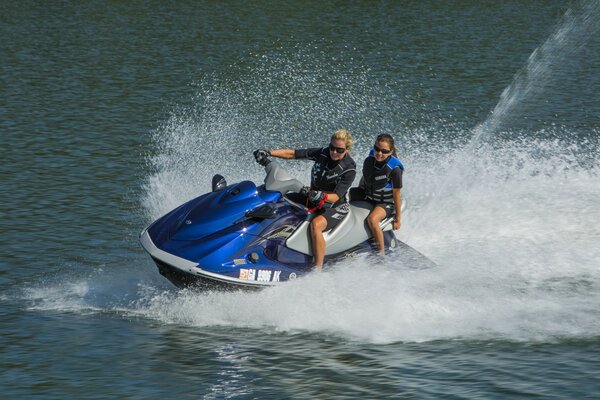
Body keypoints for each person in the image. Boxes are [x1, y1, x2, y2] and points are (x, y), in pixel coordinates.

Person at [253, 129, 356, 269]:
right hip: (312, 196)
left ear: (347, 149)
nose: (334, 152)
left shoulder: (349, 168)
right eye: (332, 147)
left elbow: (335, 197)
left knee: (316, 225)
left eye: (339, 150)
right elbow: (293, 154)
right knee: (278, 200)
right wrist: (269, 153)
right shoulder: (323, 153)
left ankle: (317, 269)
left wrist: (321, 195)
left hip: (335, 206)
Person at [355, 133, 403, 255]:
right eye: (377, 149)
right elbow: (367, 176)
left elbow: (397, 195)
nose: (379, 153)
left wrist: (398, 219)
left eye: (384, 151)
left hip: (386, 203)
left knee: (372, 220)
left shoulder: (394, 169)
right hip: (370, 197)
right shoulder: (371, 159)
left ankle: (380, 254)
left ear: (391, 151)